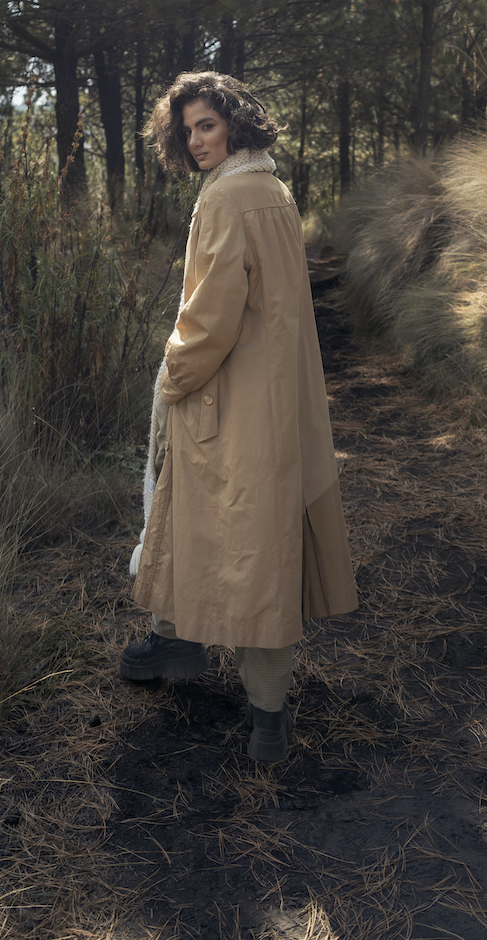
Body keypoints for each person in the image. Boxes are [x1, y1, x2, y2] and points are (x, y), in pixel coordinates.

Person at [120, 71, 358, 762]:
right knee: (261, 538)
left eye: (208, 126)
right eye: (188, 129)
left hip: (230, 398)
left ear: (236, 124)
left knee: (234, 538)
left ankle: (242, 697)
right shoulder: (273, 189)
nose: (197, 141)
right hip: (276, 396)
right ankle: (244, 695)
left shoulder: (227, 197)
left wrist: (172, 376)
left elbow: (211, 319)